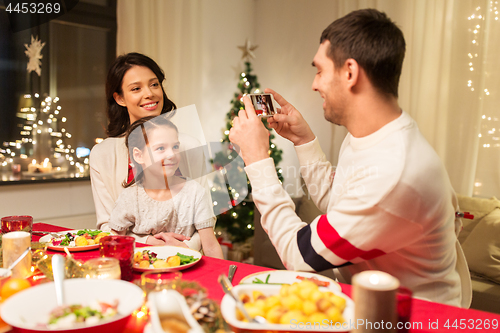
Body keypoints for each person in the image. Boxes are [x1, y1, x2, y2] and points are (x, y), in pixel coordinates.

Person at [229, 9, 471, 307]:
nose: (314, 84)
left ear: (350, 73)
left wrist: (256, 160)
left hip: (413, 318)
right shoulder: (372, 134)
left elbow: (300, 255)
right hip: (369, 304)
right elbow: (341, 204)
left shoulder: (394, 172)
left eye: (319, 70)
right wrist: (304, 141)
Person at [90, 52, 204, 247]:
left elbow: (205, 217)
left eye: (154, 84)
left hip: (187, 259)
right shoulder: (102, 154)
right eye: (136, 88)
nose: (149, 93)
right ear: (119, 98)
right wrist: (150, 242)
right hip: (131, 258)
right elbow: (106, 226)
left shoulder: (190, 146)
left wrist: (184, 249)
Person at [108, 116, 223, 258]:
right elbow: (115, 243)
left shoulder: (195, 193)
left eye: (175, 147)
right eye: (161, 148)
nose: (172, 154)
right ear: (138, 156)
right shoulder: (129, 197)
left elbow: (210, 247)